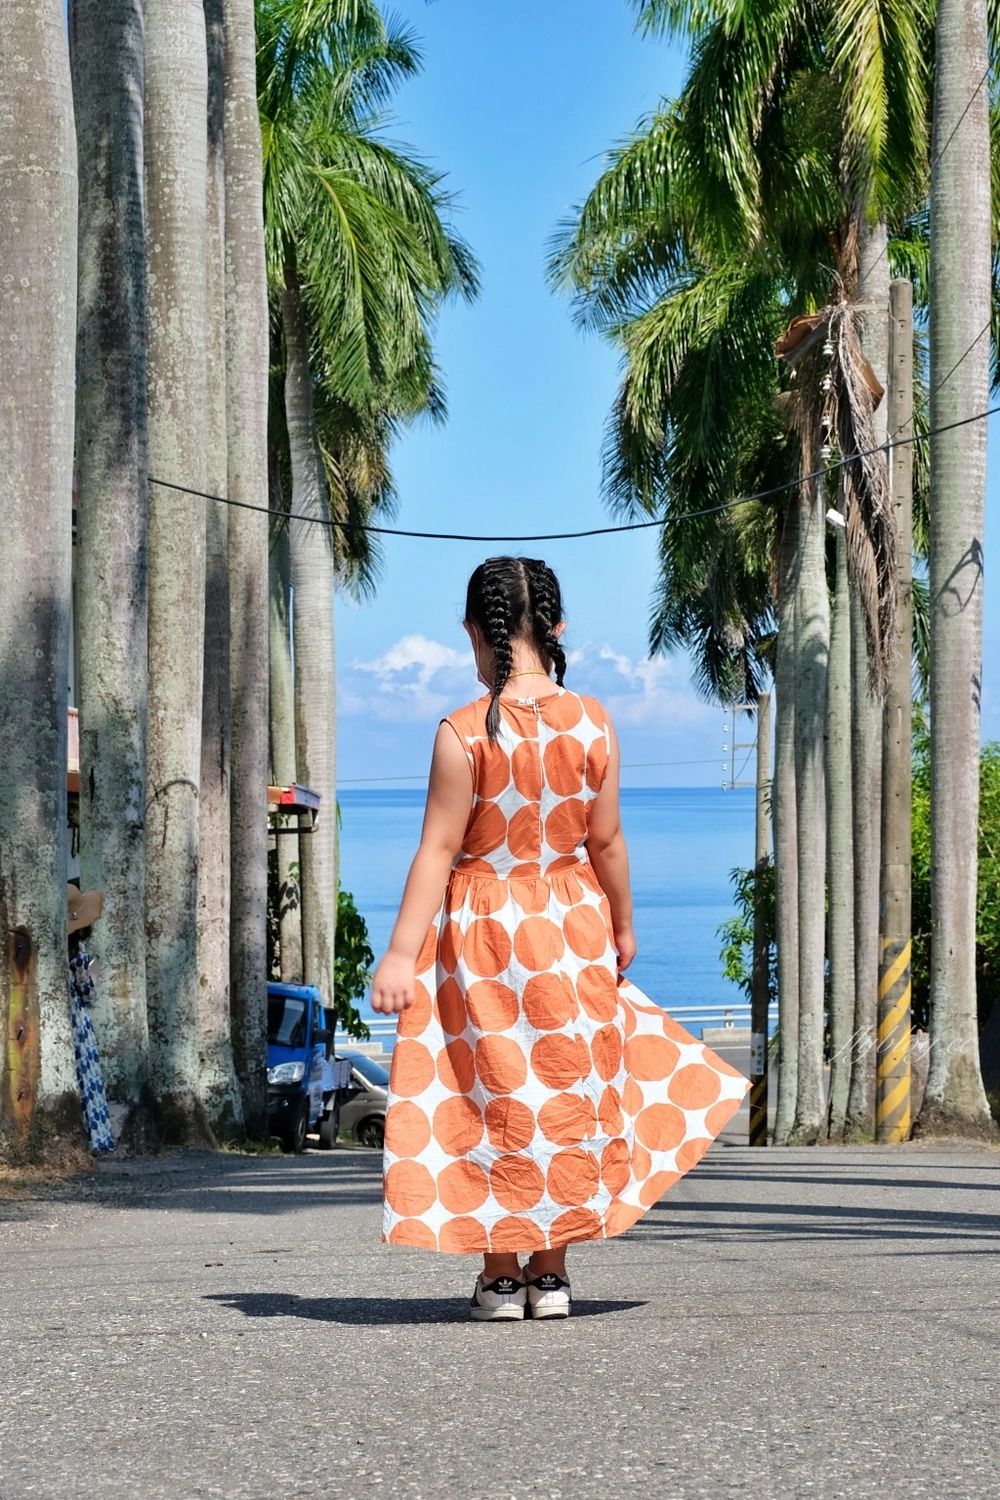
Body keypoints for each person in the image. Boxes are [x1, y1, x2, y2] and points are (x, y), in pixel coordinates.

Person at [371, 556, 748, 1320]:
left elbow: (438, 851)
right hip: (572, 927)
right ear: (559, 626)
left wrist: (401, 954)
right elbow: (606, 842)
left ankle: (501, 1275)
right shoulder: (594, 722)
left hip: (484, 933)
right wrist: (625, 922)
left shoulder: (463, 732)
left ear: (477, 632)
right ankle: (552, 1273)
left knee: (493, 1097)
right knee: (565, 1094)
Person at [67, 883, 115, 1155]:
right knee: (87, 1078)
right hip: (77, 1020)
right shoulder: (80, 953)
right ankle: (96, 1139)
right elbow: (87, 994)